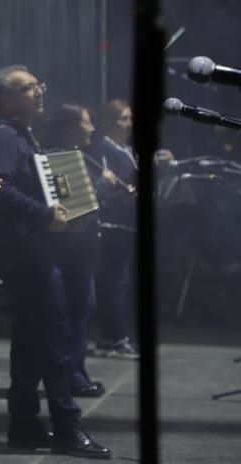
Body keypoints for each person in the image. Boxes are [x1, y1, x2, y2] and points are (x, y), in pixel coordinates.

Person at [0, 65, 110, 459]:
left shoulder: (20, 136)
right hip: (26, 254)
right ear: (6, 97)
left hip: (31, 252)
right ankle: (66, 427)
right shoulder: (4, 136)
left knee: (32, 343)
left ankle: (24, 425)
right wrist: (44, 214)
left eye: (39, 87)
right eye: (28, 88)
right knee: (54, 340)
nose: (38, 93)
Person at [40, 104, 106, 398]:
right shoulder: (58, 157)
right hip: (68, 251)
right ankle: (72, 376)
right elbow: (76, 207)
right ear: (71, 127)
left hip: (82, 251)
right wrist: (104, 186)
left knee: (83, 310)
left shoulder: (80, 156)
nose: (92, 128)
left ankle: (77, 371)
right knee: (74, 313)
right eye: (87, 123)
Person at [89, 99, 139, 359]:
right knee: (114, 282)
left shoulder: (126, 150)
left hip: (126, 223)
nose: (128, 124)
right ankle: (113, 337)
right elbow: (100, 187)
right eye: (122, 118)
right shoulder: (102, 149)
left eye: (130, 118)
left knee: (122, 280)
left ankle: (118, 335)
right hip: (111, 223)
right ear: (108, 122)